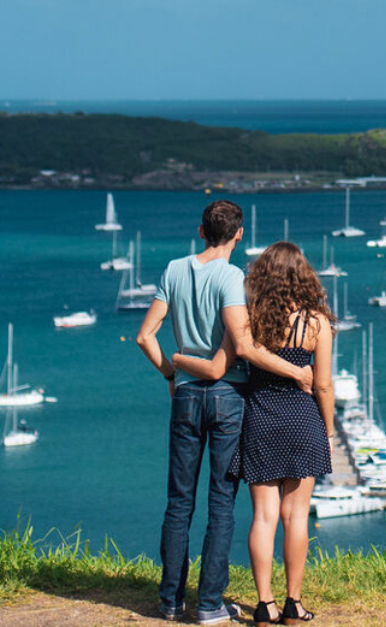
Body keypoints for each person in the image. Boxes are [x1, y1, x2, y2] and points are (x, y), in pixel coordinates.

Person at [136, 201, 311, 624]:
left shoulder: (174, 269)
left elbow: (145, 336)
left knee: (178, 502)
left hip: (186, 395)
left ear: (200, 230)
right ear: (238, 234)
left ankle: (170, 601)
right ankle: (210, 605)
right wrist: (296, 372)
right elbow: (245, 347)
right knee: (221, 503)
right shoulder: (232, 278)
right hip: (228, 396)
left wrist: (170, 373)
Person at [175, 241, 335, 626]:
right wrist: (327, 431)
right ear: (304, 275)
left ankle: (265, 605)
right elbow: (324, 385)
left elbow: (235, 357)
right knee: (296, 516)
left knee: (263, 516)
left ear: (263, 276)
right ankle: (294, 603)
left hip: (260, 418)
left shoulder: (251, 318)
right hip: (302, 420)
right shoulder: (317, 323)